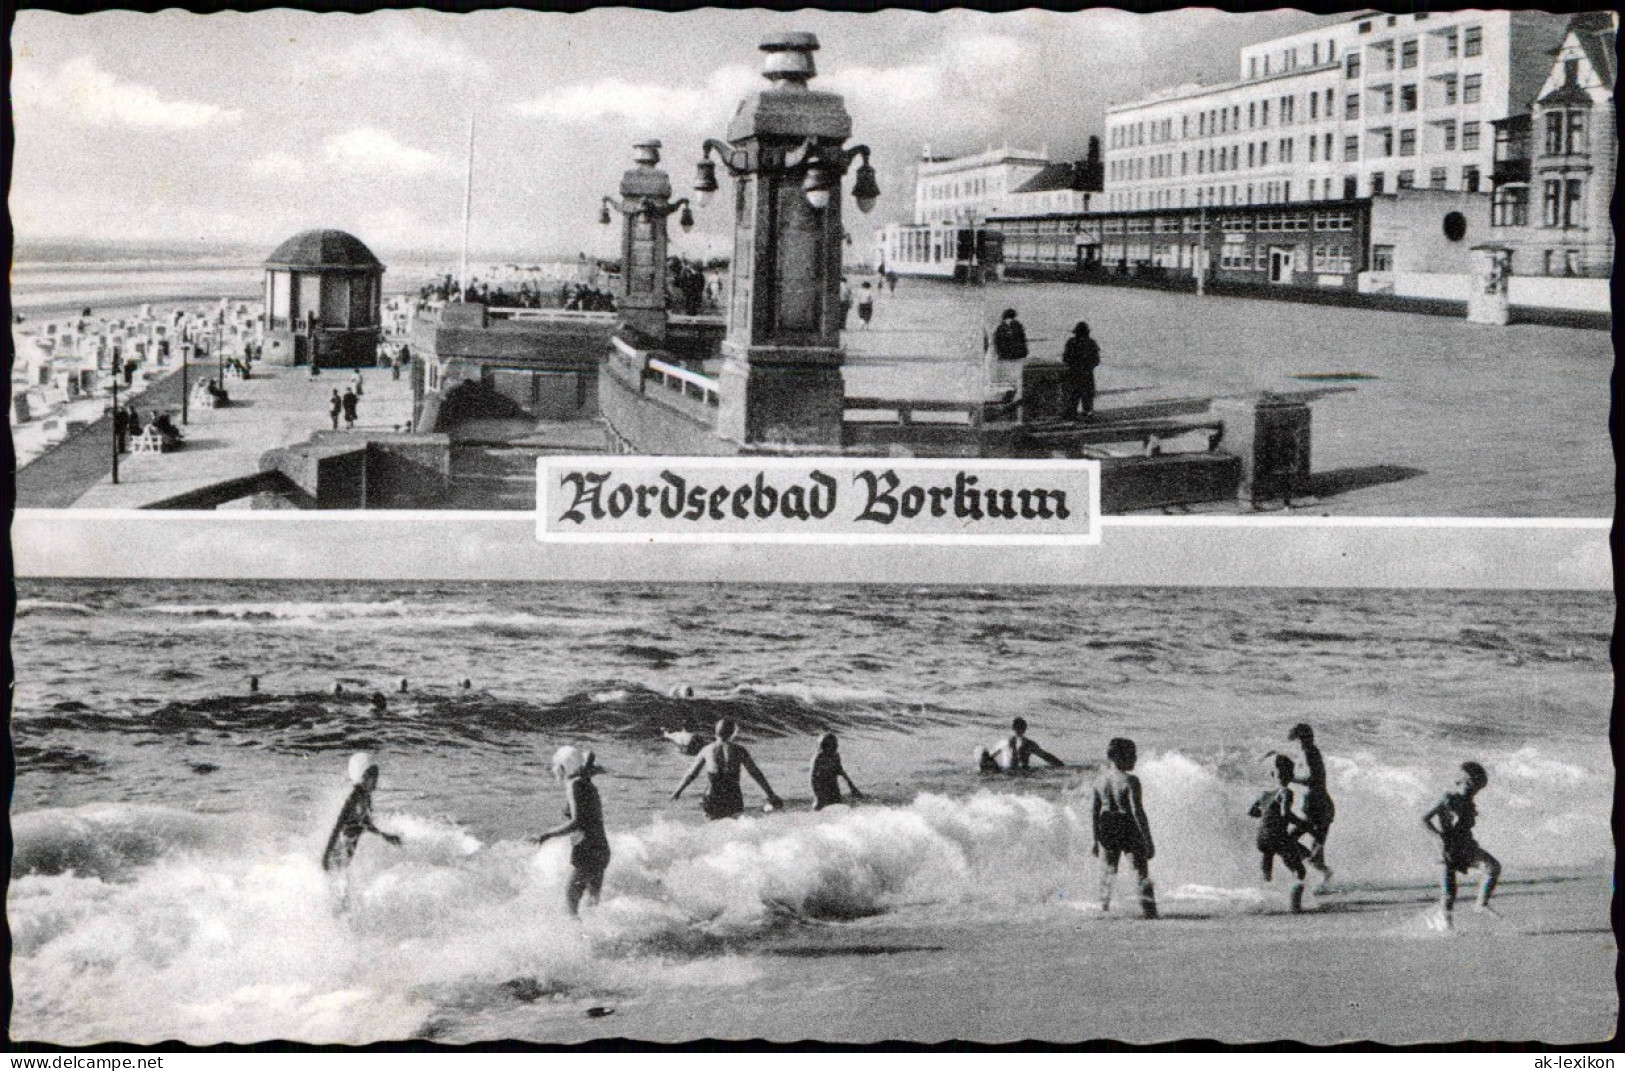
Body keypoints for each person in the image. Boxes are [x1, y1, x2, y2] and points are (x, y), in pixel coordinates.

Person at [1422, 761, 1502, 929]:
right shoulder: (1447, 799)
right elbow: (1424, 819)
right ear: (1461, 781)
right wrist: (1437, 837)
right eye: (1471, 786)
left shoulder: (1469, 802)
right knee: (1449, 891)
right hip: (1446, 849)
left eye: (1477, 789)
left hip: (1466, 846)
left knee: (1492, 866)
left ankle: (1481, 903)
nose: (1473, 792)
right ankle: (1446, 922)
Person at [535, 746, 611, 916]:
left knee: (571, 900)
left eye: (557, 767)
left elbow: (577, 821)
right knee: (593, 902)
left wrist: (547, 834)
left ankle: (578, 940)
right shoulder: (586, 782)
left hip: (587, 850)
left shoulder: (573, 784)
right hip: (601, 849)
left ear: (562, 768)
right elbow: (589, 757)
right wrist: (587, 759)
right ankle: (596, 936)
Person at [1092, 737, 1157, 918]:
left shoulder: (1099, 780)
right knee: (1140, 873)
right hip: (1126, 825)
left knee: (1107, 873)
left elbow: (1094, 812)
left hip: (1105, 827)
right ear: (1120, 757)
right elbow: (1138, 812)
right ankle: (1150, 913)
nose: (1136, 759)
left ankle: (1103, 912)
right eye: (1132, 755)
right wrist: (1148, 840)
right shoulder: (1131, 780)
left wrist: (1095, 840)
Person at [672, 718, 783, 819]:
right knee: (734, 829)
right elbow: (755, 773)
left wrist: (677, 792)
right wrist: (771, 794)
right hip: (733, 797)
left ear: (715, 732)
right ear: (733, 733)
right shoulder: (740, 750)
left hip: (713, 796)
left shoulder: (707, 750)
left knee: (712, 830)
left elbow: (692, 774)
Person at [321, 752, 402, 885]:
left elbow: (366, 824)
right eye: (373, 777)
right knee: (337, 881)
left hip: (350, 847)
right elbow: (337, 827)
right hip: (340, 847)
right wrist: (326, 854)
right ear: (363, 777)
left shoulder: (367, 798)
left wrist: (385, 835)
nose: (377, 780)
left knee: (342, 881)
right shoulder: (353, 799)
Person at [1248, 754, 1310, 913]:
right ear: (1291, 776)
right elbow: (1286, 814)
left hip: (1262, 837)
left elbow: (1252, 812)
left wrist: (1268, 817)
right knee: (1300, 871)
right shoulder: (1286, 792)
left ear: (1272, 774)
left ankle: (1264, 904)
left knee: (1267, 871)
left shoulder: (1264, 794)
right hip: (1277, 836)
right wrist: (1304, 825)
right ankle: (1295, 906)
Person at [1287, 723, 1335, 892]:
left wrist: (1290, 778)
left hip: (1319, 808)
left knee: (1289, 840)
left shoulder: (1309, 752)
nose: (1299, 743)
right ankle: (1322, 880)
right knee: (1312, 853)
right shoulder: (1306, 752)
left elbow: (1314, 778)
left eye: (1300, 739)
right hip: (1317, 807)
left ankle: (1308, 880)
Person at [976, 717, 1065, 772]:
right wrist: (1061, 766)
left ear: (1012, 728)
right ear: (1025, 728)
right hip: (1023, 772)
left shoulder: (1004, 743)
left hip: (1006, 771)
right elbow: (1046, 756)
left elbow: (989, 757)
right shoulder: (1029, 744)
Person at [1060, 321, 1101, 420]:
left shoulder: (1070, 342)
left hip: (1073, 372)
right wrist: (1089, 366)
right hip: (1087, 372)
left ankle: (1071, 413)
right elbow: (1096, 360)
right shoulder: (1091, 343)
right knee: (1087, 395)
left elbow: (1065, 358)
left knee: (1073, 395)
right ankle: (1087, 413)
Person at [810, 732, 862, 809]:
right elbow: (813, 778)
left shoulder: (835, 756)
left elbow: (841, 771)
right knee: (819, 807)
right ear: (824, 746)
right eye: (834, 745)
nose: (837, 746)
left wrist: (852, 787)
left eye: (836, 744)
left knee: (837, 804)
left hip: (833, 786)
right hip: (822, 787)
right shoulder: (819, 758)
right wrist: (817, 796)